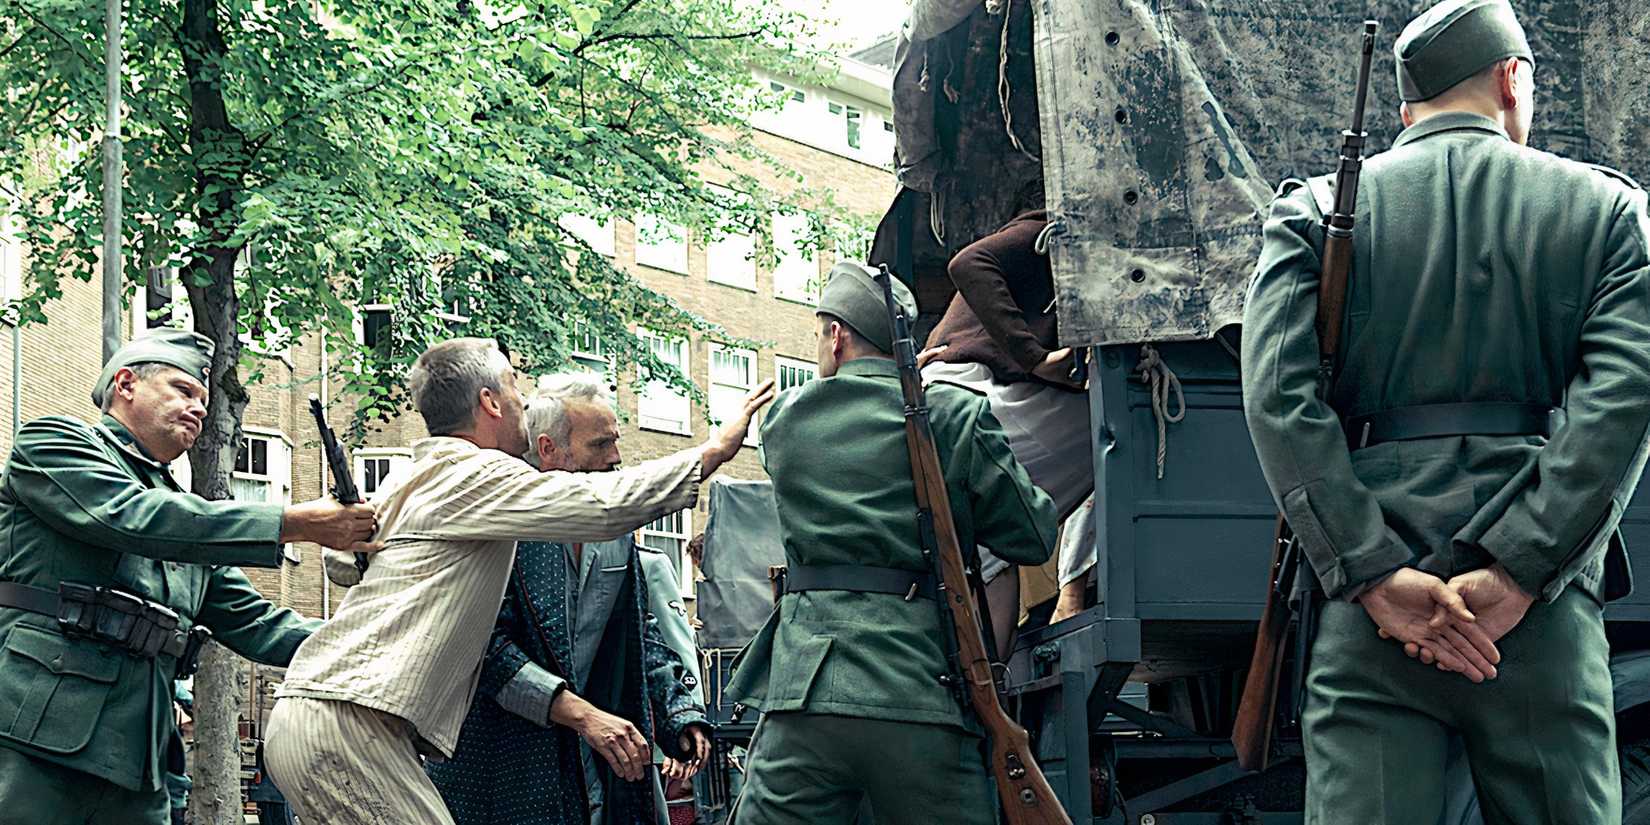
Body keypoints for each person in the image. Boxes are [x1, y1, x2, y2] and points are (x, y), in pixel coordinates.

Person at [1241, 2, 1650, 822]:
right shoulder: (1606, 212)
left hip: (1375, 615)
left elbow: (1280, 403)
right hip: (1538, 620)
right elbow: (1622, 407)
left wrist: (1373, 573)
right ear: (1511, 78)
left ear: (1405, 113)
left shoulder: (1311, 214)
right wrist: (1519, 572)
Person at [264, 338, 770, 825]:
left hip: (329, 718)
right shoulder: (477, 472)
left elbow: (353, 565)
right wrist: (716, 450)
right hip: (352, 727)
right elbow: (604, 505)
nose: (522, 399)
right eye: (512, 386)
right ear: (489, 402)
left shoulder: (413, 475)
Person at [0, 328, 379, 825]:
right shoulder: (53, 442)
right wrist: (295, 524)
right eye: (183, 390)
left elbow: (259, 623)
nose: (199, 408)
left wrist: (382, 642)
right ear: (126, 383)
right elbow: (128, 517)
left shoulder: (188, 520)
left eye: (204, 399)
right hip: (38, 734)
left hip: (140, 757)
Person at [727, 262, 1058, 824]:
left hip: (803, 693)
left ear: (837, 335)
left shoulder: (782, 420)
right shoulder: (952, 415)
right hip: (918, 688)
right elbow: (1032, 534)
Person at [427, 372, 718, 825]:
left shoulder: (615, 530)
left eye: (614, 441)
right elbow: (485, 649)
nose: (616, 458)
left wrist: (681, 713)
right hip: (506, 772)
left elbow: (640, 631)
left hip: (599, 774)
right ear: (549, 450)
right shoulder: (498, 524)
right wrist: (580, 716)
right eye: (600, 445)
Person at [919, 209, 1097, 640]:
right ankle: (1069, 591)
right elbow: (967, 263)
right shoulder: (1046, 233)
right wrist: (1035, 359)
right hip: (971, 393)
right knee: (1118, 426)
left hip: (964, 401)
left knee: (990, 546)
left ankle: (988, 687)